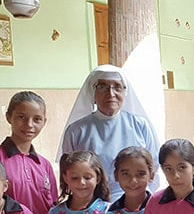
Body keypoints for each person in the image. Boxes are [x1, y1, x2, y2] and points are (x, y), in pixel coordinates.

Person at [58, 64, 160, 198]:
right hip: (91, 202)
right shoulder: (76, 130)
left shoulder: (140, 125)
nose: (111, 93)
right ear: (92, 92)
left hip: (134, 201)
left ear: (125, 92)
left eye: (117, 87)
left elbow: (154, 165)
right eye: (102, 87)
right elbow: (69, 169)